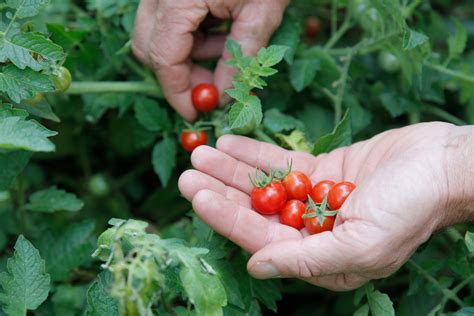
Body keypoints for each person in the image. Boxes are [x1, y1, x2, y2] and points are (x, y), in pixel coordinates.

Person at [132, 1, 474, 291]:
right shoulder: (311, 197)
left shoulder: (309, 198)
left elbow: (306, 200)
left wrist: (447, 174)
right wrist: (447, 169)